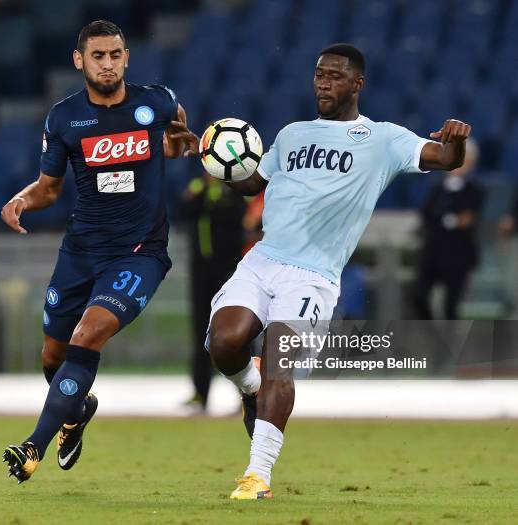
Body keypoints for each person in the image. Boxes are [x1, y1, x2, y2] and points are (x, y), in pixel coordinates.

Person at [177, 43, 471, 499]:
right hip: (263, 258)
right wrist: (210, 152)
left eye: (334, 75)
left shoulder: (384, 139)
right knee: (224, 342)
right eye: (318, 74)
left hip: (312, 276)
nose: (323, 82)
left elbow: (445, 159)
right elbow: (253, 180)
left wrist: (456, 139)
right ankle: (250, 389)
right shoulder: (293, 134)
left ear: (358, 83)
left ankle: (258, 476)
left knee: (280, 363)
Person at [0, 20, 198, 483]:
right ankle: (76, 411)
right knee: (53, 358)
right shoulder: (64, 118)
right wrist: (23, 199)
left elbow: (175, 139)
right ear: (79, 60)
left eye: (115, 55)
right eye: (98, 56)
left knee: (87, 336)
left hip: (139, 252)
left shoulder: (159, 101)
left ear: (127, 57)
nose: (107, 64)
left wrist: (175, 146)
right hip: (81, 250)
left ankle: (33, 447)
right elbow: (49, 189)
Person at [181, 174, 246, 413]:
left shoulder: (235, 190)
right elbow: (185, 211)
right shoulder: (197, 187)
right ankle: (200, 395)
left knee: (236, 333)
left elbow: (237, 220)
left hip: (229, 271)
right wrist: (205, 195)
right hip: (201, 271)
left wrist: (214, 198)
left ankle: (247, 394)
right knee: (200, 333)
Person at [414, 138, 484, 319]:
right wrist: (452, 219)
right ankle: (431, 337)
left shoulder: (475, 190)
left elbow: (469, 219)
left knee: (451, 306)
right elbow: (427, 215)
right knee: (419, 297)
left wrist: (445, 219)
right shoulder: (436, 187)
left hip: (459, 255)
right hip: (433, 251)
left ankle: (447, 344)